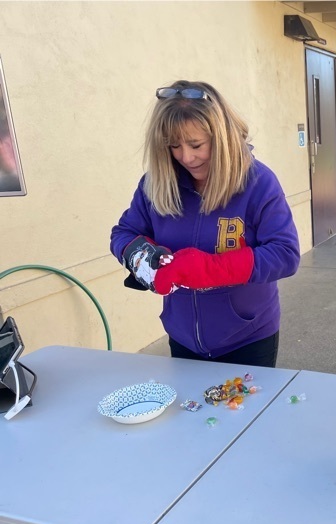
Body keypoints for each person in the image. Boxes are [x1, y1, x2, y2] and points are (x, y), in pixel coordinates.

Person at [111, 80, 300, 367]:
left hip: (248, 337)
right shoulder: (155, 184)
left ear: (221, 136)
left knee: (245, 414)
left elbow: (285, 254)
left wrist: (210, 270)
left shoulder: (258, 182)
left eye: (196, 144)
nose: (186, 157)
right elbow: (124, 233)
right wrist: (145, 261)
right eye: (174, 145)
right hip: (182, 336)